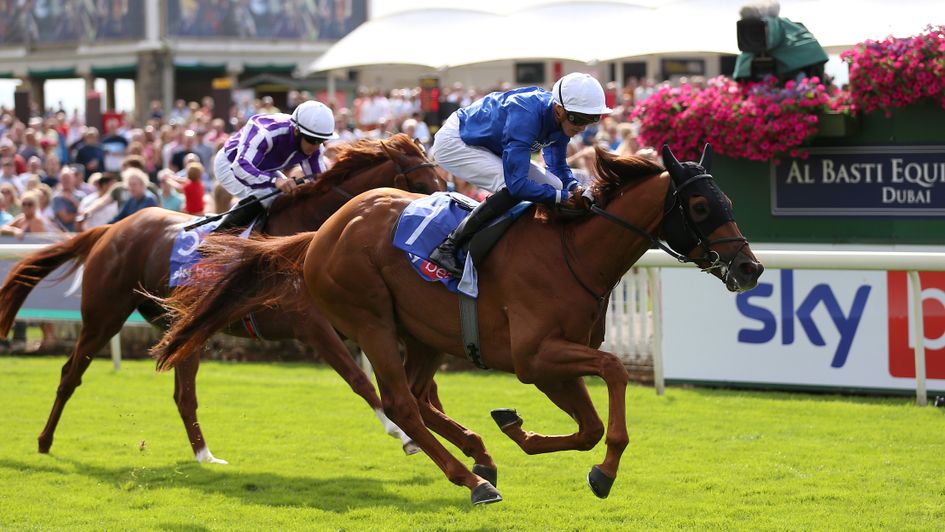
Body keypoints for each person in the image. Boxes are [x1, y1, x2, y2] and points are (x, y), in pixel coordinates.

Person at [427, 72, 611, 275]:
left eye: (591, 119)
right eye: (579, 119)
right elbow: (517, 184)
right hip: (456, 141)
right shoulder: (526, 114)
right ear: (559, 110)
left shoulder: (562, 121)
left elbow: (557, 168)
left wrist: (574, 188)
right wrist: (561, 197)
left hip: (488, 143)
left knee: (556, 185)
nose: (582, 127)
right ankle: (449, 247)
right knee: (512, 188)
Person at [212, 99, 337, 231]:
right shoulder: (266, 133)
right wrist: (275, 181)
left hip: (265, 169)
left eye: (322, 141)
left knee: (288, 198)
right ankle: (215, 240)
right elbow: (240, 167)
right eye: (312, 140)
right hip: (230, 165)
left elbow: (319, 182)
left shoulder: (314, 145)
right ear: (296, 131)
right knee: (266, 196)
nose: (316, 146)